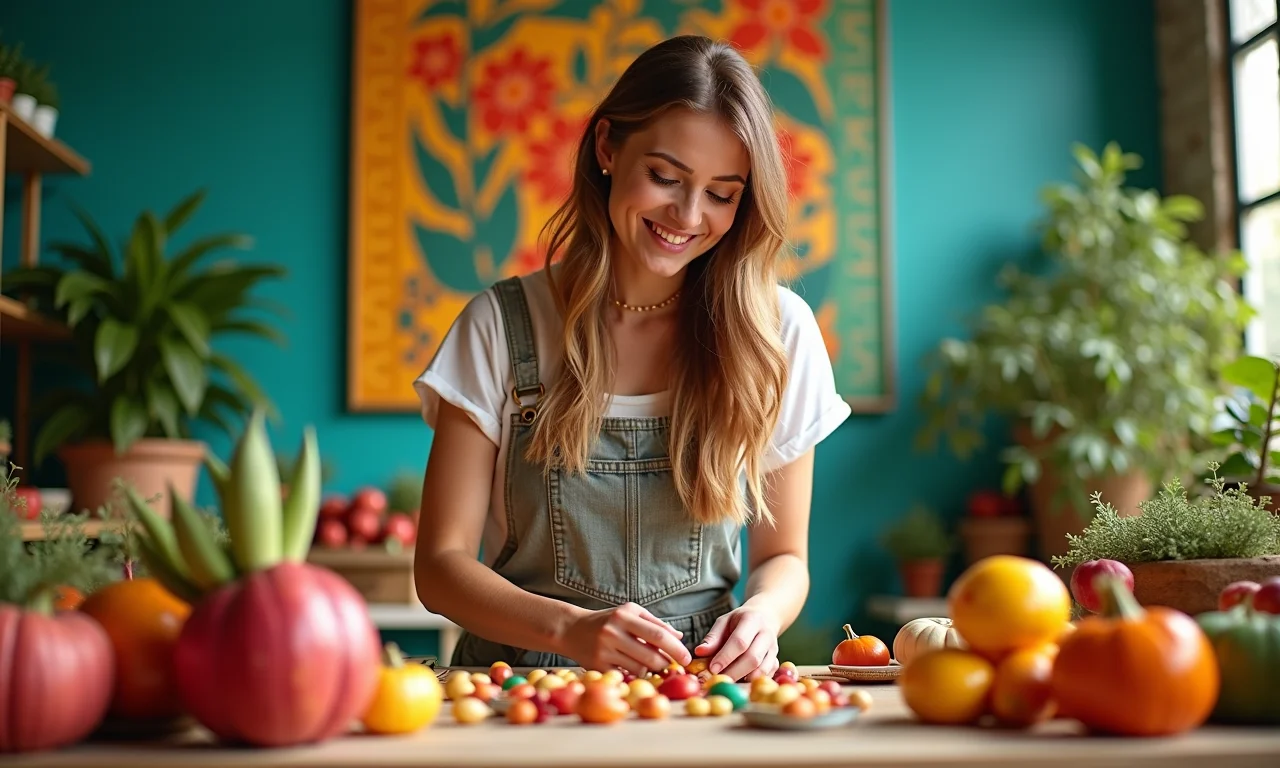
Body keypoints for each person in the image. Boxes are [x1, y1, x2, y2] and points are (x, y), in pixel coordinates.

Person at [411, 34, 850, 683]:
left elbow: (784, 556)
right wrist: (568, 629)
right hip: (520, 694)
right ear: (608, 147)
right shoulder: (500, 326)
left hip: (693, 689)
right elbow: (440, 568)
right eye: (666, 178)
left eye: (723, 193)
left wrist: (760, 616)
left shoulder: (777, 331)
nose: (688, 214)